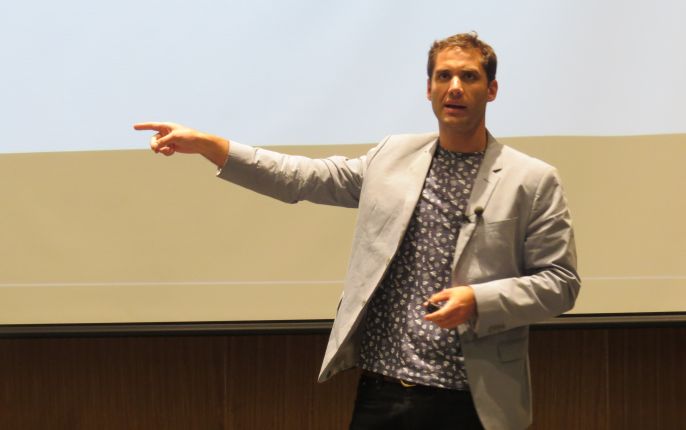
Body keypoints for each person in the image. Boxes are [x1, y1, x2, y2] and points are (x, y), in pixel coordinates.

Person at [134, 32, 580, 430]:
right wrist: (211, 146)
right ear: (429, 89)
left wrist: (478, 300)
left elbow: (560, 283)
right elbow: (301, 177)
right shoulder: (393, 157)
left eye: (469, 76)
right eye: (443, 76)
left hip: (473, 399)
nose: (455, 87)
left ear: (492, 89)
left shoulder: (530, 179)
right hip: (385, 389)